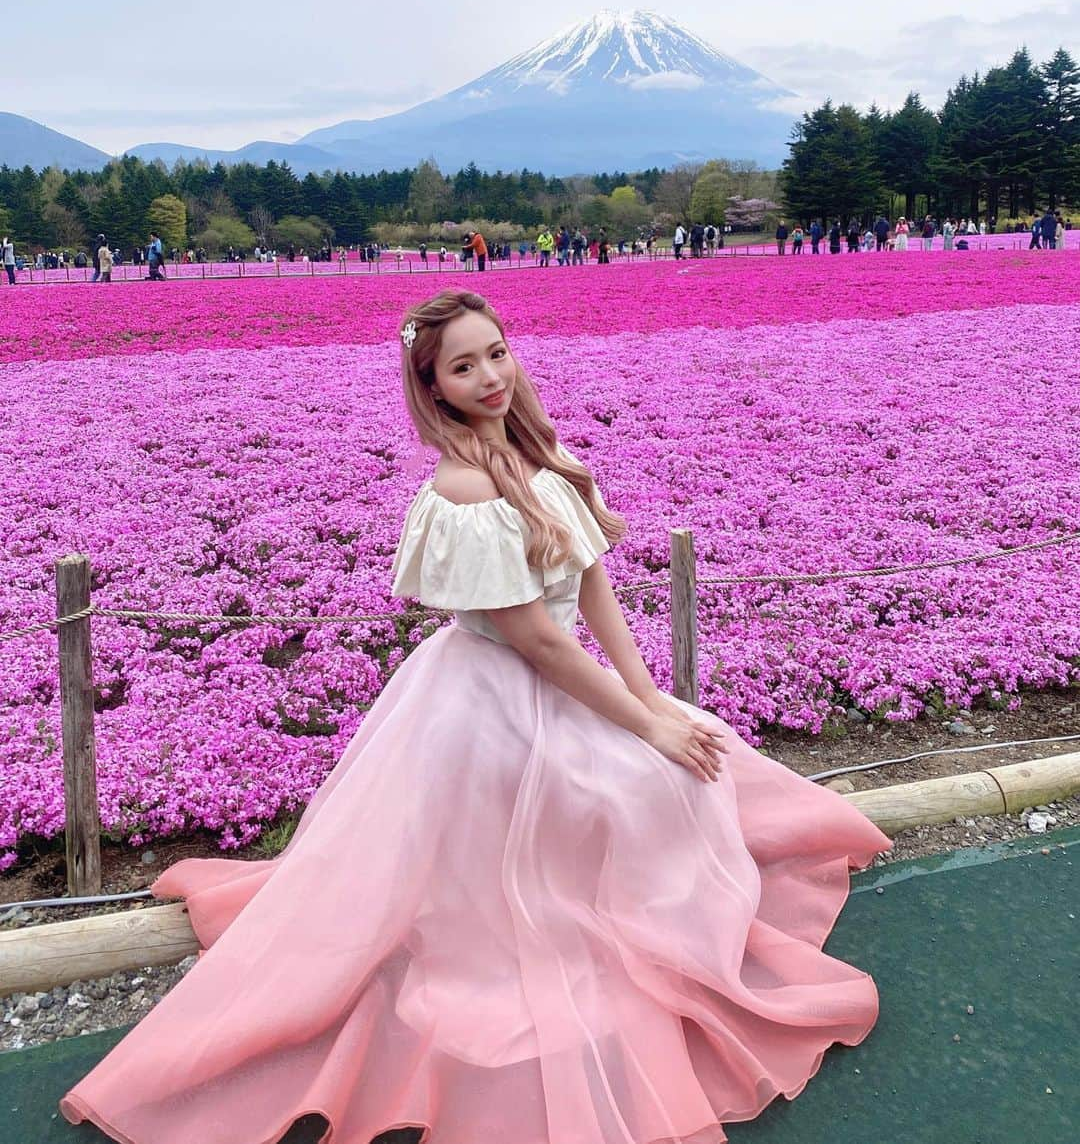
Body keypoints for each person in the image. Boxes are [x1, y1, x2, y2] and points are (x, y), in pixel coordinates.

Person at [59, 287, 891, 1144]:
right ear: (434, 385)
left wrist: (649, 698)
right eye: (463, 365)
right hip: (492, 699)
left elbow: (595, 588)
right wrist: (645, 726)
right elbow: (538, 640)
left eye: (497, 352)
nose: (489, 375)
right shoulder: (463, 492)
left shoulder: (543, 455)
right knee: (586, 826)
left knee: (675, 770)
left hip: (560, 680)